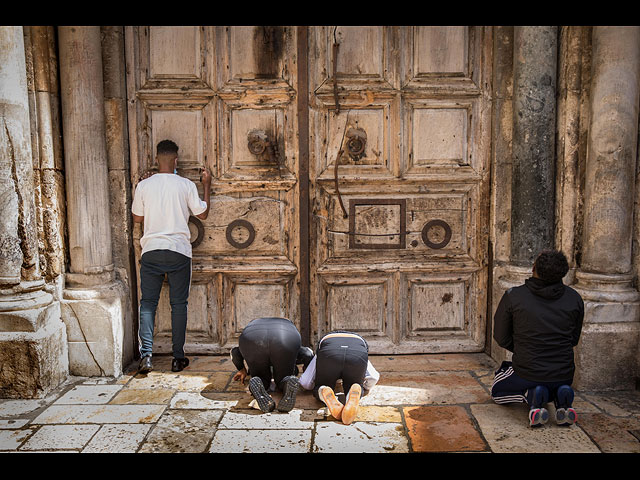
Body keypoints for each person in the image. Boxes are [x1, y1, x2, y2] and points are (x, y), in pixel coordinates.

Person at [131, 139, 211, 374]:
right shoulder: (185, 185)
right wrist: (206, 185)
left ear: (157, 159)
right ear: (176, 160)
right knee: (178, 305)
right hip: (178, 252)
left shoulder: (144, 185)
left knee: (148, 304)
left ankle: (146, 356)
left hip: (152, 250)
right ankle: (178, 358)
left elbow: (137, 218)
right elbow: (203, 214)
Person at [492, 250, 584, 427]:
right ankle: (561, 397)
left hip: (527, 371)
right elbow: (573, 338)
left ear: (533, 268)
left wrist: (523, 349)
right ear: (563, 273)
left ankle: (532, 396)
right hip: (563, 374)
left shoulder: (514, 296)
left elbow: (501, 337)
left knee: (497, 391)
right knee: (553, 383)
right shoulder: (575, 298)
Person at [230, 317, 312, 413]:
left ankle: (259, 382)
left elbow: (234, 352)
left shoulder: (253, 324)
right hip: (285, 337)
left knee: (261, 378)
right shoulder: (288, 324)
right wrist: (307, 371)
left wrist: (242, 369)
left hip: (252, 338)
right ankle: (287, 381)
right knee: (283, 378)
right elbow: (308, 353)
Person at [299, 331, 380, 425]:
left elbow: (305, 382)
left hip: (329, 351)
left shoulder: (324, 344)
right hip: (356, 353)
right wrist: (365, 386)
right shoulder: (359, 344)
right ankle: (352, 392)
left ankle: (323, 390)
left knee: (321, 386)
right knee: (355, 384)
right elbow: (374, 377)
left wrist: (314, 385)